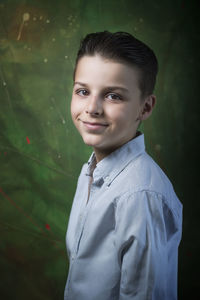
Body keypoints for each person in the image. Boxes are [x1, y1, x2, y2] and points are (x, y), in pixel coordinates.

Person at [64, 30, 183, 300]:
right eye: (83, 91)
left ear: (145, 107)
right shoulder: (92, 171)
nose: (92, 107)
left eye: (113, 96)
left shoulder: (139, 195)